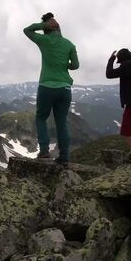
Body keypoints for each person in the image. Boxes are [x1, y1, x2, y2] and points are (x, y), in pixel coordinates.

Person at [24, 12, 79, 165]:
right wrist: (63, 65)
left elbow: (27, 30)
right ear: (58, 28)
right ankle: (65, 156)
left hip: (47, 87)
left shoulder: (44, 40)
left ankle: (44, 151)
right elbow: (75, 65)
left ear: (46, 29)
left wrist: (42, 25)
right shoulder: (69, 44)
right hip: (65, 89)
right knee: (61, 121)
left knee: (41, 117)